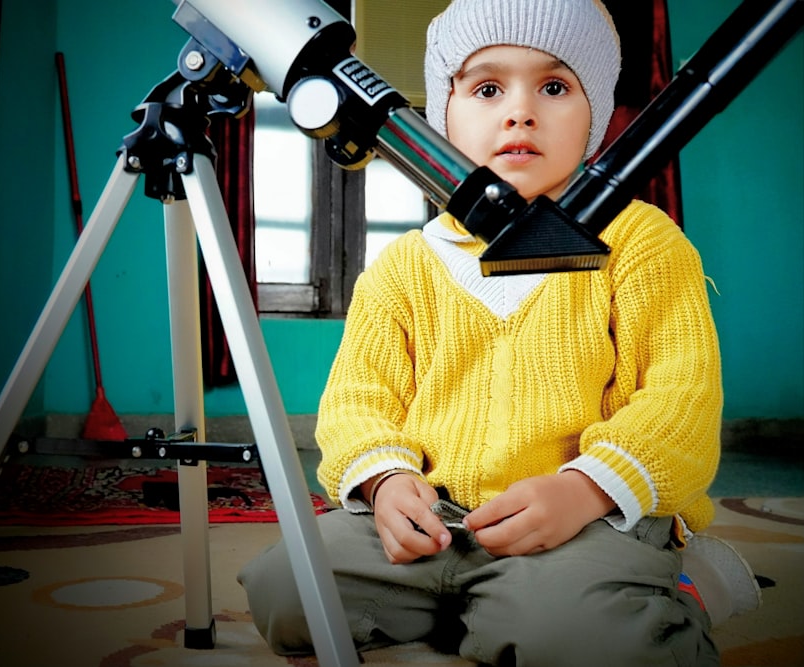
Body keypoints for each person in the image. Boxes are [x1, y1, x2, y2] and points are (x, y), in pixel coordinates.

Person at [238, 0, 760, 664]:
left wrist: (585, 488)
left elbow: (678, 400)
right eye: (487, 88)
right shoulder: (403, 266)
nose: (520, 112)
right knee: (285, 591)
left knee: (583, 637)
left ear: (594, 117)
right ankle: (489, 607)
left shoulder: (642, 243)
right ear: (442, 113)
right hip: (436, 519)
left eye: (553, 86)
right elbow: (357, 401)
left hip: (587, 522)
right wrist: (386, 482)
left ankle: (681, 588)